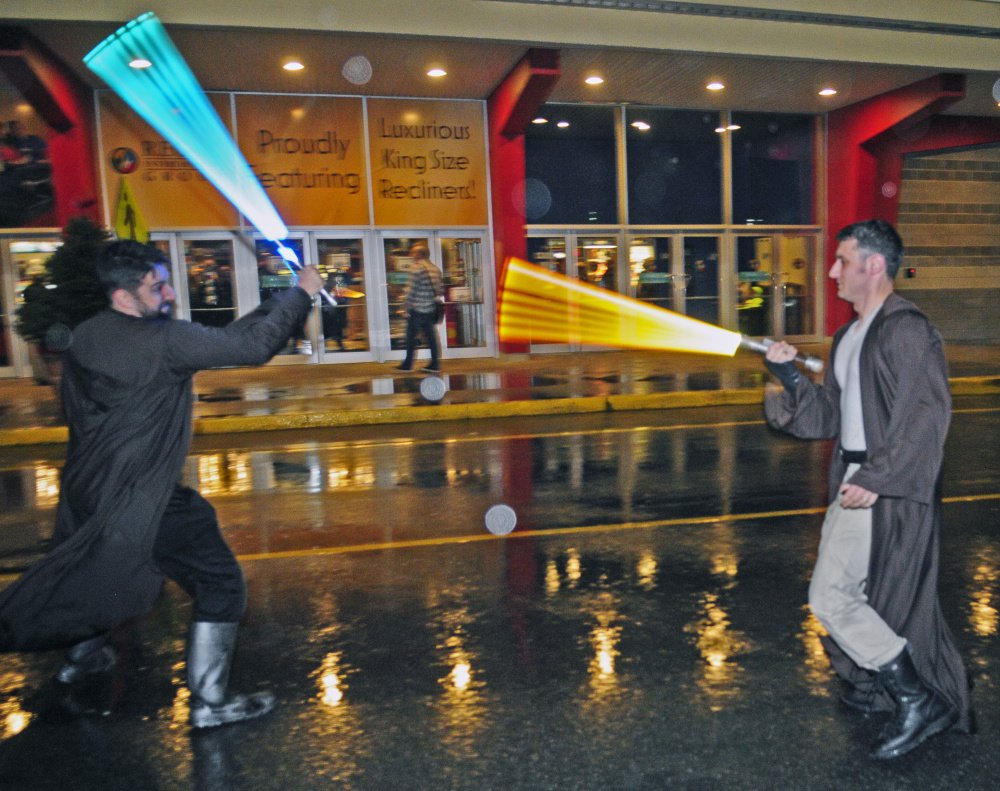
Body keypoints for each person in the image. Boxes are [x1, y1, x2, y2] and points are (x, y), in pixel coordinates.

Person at [0, 239, 323, 729]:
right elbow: (251, 349)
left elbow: (221, 343)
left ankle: (80, 659)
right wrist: (301, 294)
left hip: (91, 488)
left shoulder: (86, 336)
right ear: (125, 295)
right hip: (144, 497)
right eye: (157, 286)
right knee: (220, 582)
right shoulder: (163, 341)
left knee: (98, 573)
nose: (169, 293)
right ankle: (211, 704)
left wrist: (274, 302)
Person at [762, 219, 972, 760]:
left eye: (842, 260)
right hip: (855, 481)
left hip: (885, 488)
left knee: (832, 596)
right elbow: (831, 414)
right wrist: (789, 378)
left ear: (874, 265)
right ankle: (891, 690)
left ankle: (918, 699)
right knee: (858, 595)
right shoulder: (849, 335)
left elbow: (926, 417)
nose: (831, 271)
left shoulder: (906, 329)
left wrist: (878, 478)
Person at [395, 242, 443, 373]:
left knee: (411, 336)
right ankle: (435, 364)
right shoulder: (436, 269)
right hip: (430, 309)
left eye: (413, 252)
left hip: (417, 308)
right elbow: (440, 290)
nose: (411, 255)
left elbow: (410, 290)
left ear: (420, 254)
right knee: (431, 336)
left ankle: (408, 364)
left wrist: (404, 307)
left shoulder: (416, 268)